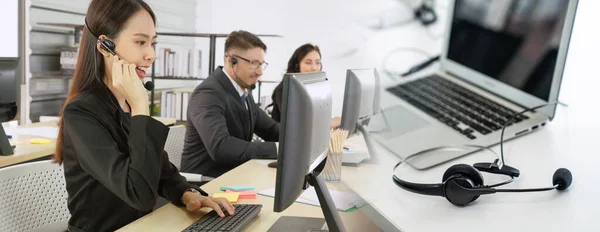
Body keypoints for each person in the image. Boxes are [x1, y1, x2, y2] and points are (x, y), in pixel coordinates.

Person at [53, 1, 233, 231]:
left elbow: (162, 172)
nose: (151, 55)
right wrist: (140, 106)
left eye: (153, 43)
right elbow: (139, 194)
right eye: (140, 42)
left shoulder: (126, 101)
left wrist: (189, 194)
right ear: (104, 45)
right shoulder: (81, 113)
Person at [180, 30, 279, 178]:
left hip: (234, 176)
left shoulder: (242, 91)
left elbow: (270, 129)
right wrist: (279, 149)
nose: (260, 72)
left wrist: (299, 140)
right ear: (231, 60)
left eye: (261, 64)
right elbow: (221, 147)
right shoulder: (208, 94)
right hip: (207, 184)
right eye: (253, 64)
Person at [270, 43, 341, 127]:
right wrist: (330, 123)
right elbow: (299, 123)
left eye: (317, 63)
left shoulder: (313, 89)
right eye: (308, 63)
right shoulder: (284, 89)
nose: (314, 68)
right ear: (297, 66)